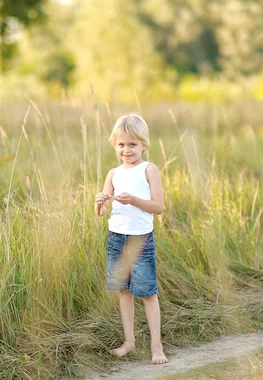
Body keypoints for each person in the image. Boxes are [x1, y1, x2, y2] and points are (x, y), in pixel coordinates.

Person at [94, 113, 168, 364]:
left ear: (144, 145)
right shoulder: (113, 173)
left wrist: (134, 200)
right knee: (123, 292)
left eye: (133, 144)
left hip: (140, 241)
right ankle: (129, 341)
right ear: (115, 145)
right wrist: (100, 203)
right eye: (122, 144)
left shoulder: (149, 169)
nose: (127, 150)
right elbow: (105, 209)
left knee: (147, 293)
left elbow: (158, 206)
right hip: (117, 239)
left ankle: (156, 346)